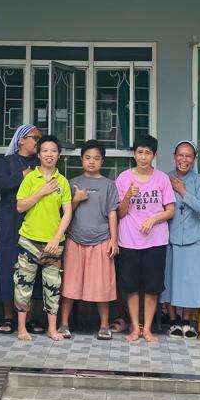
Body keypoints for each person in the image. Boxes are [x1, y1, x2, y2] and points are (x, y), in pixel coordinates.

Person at [115, 134, 176, 342]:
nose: (143, 157)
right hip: (129, 240)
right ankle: (135, 327)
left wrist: (154, 219)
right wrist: (127, 196)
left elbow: (170, 211)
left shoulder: (162, 178)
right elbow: (120, 213)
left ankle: (147, 329)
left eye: (147, 153)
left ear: (154, 155)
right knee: (130, 286)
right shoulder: (123, 178)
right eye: (139, 152)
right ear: (134, 154)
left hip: (156, 241)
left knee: (152, 287)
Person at [12, 134, 73, 341]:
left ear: (59, 155)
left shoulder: (62, 182)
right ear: (38, 154)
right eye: (45, 150)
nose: (49, 154)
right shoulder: (30, 178)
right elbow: (20, 206)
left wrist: (56, 238)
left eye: (53, 151)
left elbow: (68, 213)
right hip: (29, 241)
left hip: (54, 244)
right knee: (23, 286)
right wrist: (42, 191)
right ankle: (22, 329)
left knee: (53, 287)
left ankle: (52, 329)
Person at [59, 140, 119, 340]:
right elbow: (65, 214)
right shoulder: (71, 183)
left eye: (96, 158)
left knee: (102, 285)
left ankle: (104, 325)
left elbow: (112, 213)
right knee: (70, 284)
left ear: (102, 161)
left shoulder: (109, 185)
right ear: (81, 159)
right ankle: (64, 324)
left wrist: (114, 240)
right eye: (87, 158)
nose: (91, 162)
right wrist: (76, 199)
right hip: (75, 239)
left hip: (101, 240)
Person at [0, 122, 41, 334]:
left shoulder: (40, 162)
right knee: (8, 264)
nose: (38, 142)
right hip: (10, 219)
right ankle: (7, 316)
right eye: (35, 138)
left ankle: (30, 317)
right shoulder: (7, 162)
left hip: (34, 220)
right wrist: (21, 177)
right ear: (21, 140)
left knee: (33, 265)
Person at [164, 140, 200, 337]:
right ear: (174, 157)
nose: (184, 159)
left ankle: (187, 321)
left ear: (194, 159)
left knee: (192, 281)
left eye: (188, 156)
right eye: (180, 155)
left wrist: (182, 191)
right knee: (169, 280)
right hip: (170, 237)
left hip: (193, 238)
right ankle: (173, 320)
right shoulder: (164, 178)